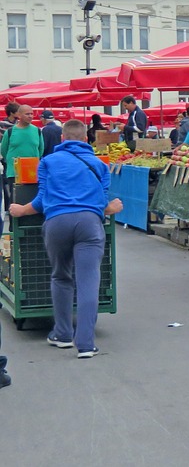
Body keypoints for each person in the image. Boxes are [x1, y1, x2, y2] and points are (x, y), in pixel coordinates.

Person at [8, 120, 123, 359]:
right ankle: (86, 344)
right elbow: (102, 202)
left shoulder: (47, 162)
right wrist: (109, 208)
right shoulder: (99, 165)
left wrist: (20, 210)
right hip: (90, 224)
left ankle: (61, 334)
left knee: (61, 276)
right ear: (85, 139)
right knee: (88, 281)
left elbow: (41, 199)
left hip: (57, 223)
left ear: (62, 138)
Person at [1, 105, 43, 224]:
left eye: (31, 113)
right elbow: (4, 150)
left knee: (31, 200)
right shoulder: (10, 132)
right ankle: (14, 231)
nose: (30, 116)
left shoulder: (37, 131)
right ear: (18, 116)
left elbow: (40, 150)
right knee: (15, 201)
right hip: (14, 173)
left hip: (32, 174)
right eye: (27, 114)